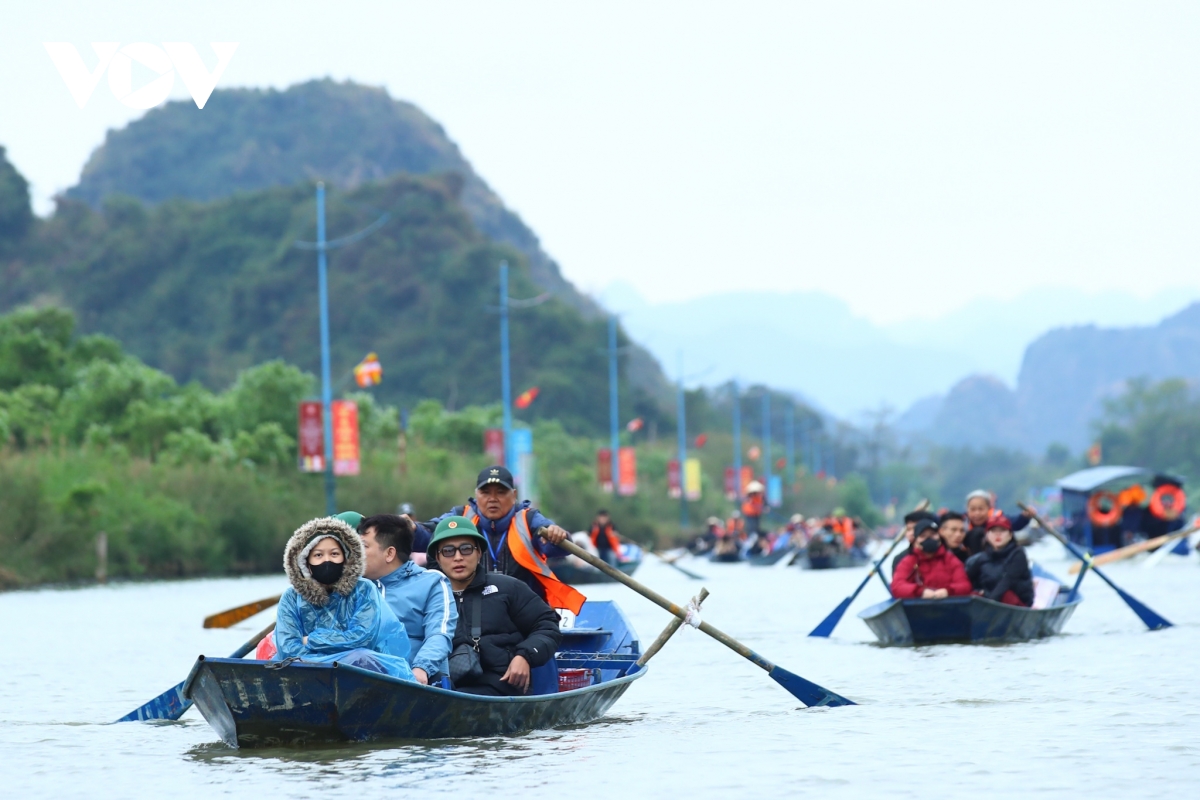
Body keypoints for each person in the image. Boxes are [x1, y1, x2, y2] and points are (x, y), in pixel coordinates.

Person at [421, 466, 585, 615]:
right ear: (476, 495)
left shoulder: (529, 519)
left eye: (500, 492)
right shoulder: (459, 516)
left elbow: (556, 547)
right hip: (472, 613)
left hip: (524, 612)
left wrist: (557, 535)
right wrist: (409, 528)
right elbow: (426, 533)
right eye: (485, 493)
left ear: (514, 495)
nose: (493, 499)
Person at [429, 516, 563, 696]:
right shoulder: (427, 597)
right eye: (448, 551)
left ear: (479, 553)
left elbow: (547, 626)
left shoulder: (508, 587)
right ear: (437, 557)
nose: (458, 557)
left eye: (466, 549)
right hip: (444, 690)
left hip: (502, 688)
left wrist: (524, 656)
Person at [275, 515, 415, 680]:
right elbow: (288, 647)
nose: (327, 560)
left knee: (362, 658)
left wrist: (312, 640)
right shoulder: (291, 597)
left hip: (360, 671)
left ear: (346, 558)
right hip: (306, 676)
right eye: (318, 555)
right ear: (306, 562)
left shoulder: (364, 589)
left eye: (334, 554)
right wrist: (324, 660)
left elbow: (362, 638)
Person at [360, 513, 458, 685]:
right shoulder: (356, 588)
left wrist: (421, 668)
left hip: (414, 683)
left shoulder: (432, 582)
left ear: (389, 553)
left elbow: (440, 633)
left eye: (364, 546)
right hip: (360, 679)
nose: (356, 553)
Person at [890, 519, 973, 600]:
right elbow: (897, 587)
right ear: (916, 541)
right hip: (918, 608)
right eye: (923, 536)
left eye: (933, 534)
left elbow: (965, 585)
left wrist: (947, 591)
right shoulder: (908, 561)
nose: (929, 538)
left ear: (939, 538)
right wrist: (920, 592)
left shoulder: (950, 560)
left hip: (948, 606)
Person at [965, 514, 1034, 607]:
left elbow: (1008, 581)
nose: (998, 534)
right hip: (990, 601)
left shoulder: (1018, 554)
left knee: (1006, 595)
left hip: (1015, 603)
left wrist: (990, 602)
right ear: (987, 535)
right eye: (993, 531)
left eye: (1002, 530)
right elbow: (967, 577)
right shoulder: (981, 558)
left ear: (1010, 535)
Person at [964, 490, 1031, 556]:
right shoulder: (962, 523)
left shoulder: (998, 518)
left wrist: (1024, 516)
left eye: (981, 509)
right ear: (967, 510)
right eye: (973, 509)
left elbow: (1014, 523)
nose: (977, 513)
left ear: (988, 508)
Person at [891, 509, 939, 575]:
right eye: (908, 529)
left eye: (914, 528)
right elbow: (898, 583)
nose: (910, 533)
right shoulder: (900, 559)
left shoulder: (944, 556)